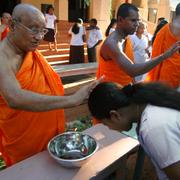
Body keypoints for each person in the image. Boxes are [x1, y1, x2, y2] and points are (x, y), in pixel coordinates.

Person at [0, 4, 101, 166]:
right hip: (24, 143)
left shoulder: (30, 52)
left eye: (43, 31)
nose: (39, 37)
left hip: (50, 138)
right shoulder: (2, 57)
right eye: (33, 29)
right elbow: (14, 98)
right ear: (12, 25)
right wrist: (72, 100)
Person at [88, 81, 180, 180]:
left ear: (114, 115)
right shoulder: (147, 104)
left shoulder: (152, 128)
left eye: (106, 124)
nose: (109, 128)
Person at [96, 3, 180, 87]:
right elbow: (132, 70)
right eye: (133, 20)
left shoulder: (126, 38)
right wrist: (163, 56)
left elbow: (126, 71)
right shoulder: (112, 43)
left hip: (123, 90)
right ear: (120, 20)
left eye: (138, 20)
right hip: (110, 94)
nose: (137, 24)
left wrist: (133, 82)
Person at [146, 3, 180, 88]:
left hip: (166, 72)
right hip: (170, 74)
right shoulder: (164, 31)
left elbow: (156, 54)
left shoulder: (164, 30)